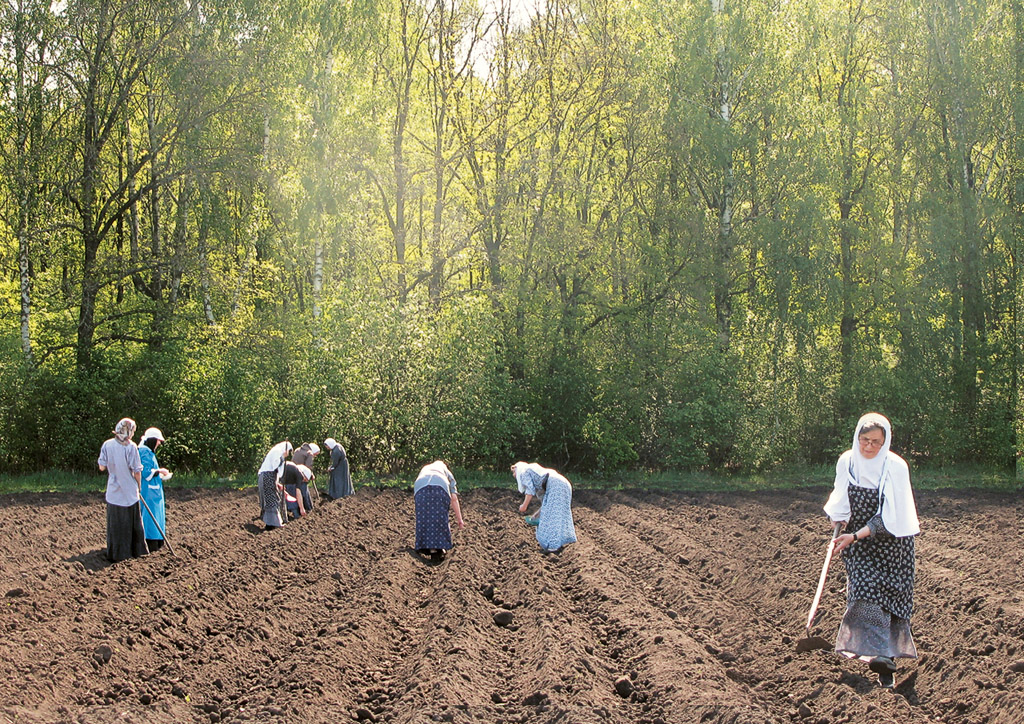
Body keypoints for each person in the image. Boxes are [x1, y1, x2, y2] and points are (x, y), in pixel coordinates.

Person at [824, 412, 920, 689]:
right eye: (864, 440)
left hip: (893, 544)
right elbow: (840, 495)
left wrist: (855, 535)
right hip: (859, 546)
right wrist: (838, 518)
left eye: (876, 442)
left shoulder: (895, 467)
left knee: (890, 599)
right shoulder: (848, 461)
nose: (869, 446)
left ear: (885, 442)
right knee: (865, 592)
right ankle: (880, 655)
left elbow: (890, 517)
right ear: (857, 438)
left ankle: (886, 660)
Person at [97, 418, 149, 562]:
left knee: (116, 525)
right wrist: (139, 486)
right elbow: (137, 471)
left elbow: (102, 467)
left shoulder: (107, 444)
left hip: (113, 492)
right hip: (129, 493)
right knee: (132, 525)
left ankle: (116, 554)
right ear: (129, 431)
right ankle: (136, 553)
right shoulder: (131, 447)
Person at [512, 461, 577, 553]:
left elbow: (530, 490)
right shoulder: (538, 477)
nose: (514, 475)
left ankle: (552, 547)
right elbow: (546, 503)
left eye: (514, 472)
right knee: (558, 513)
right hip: (563, 483)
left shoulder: (524, 472)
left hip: (556, 485)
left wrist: (524, 506)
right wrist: (537, 513)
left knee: (552, 517)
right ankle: (563, 541)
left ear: (517, 469)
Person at [413, 460, 465, 559]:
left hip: (420, 488)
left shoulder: (425, 468)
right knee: (440, 516)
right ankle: (439, 546)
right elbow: (454, 498)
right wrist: (460, 520)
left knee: (423, 516)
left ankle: (424, 545)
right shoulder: (446, 472)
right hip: (440, 487)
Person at [139, 427, 171, 552]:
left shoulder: (148, 452)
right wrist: (160, 471)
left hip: (154, 490)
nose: (159, 443)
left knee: (156, 516)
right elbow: (146, 473)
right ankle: (151, 543)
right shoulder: (144, 452)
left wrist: (159, 474)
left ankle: (157, 541)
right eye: (158, 441)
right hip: (149, 492)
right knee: (150, 518)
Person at [258, 441, 293, 529]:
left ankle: (272, 523)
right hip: (268, 477)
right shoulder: (277, 452)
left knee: (272, 499)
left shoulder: (276, 451)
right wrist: (282, 457)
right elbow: (274, 465)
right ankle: (273, 524)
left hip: (268, 477)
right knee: (272, 500)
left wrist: (277, 483)